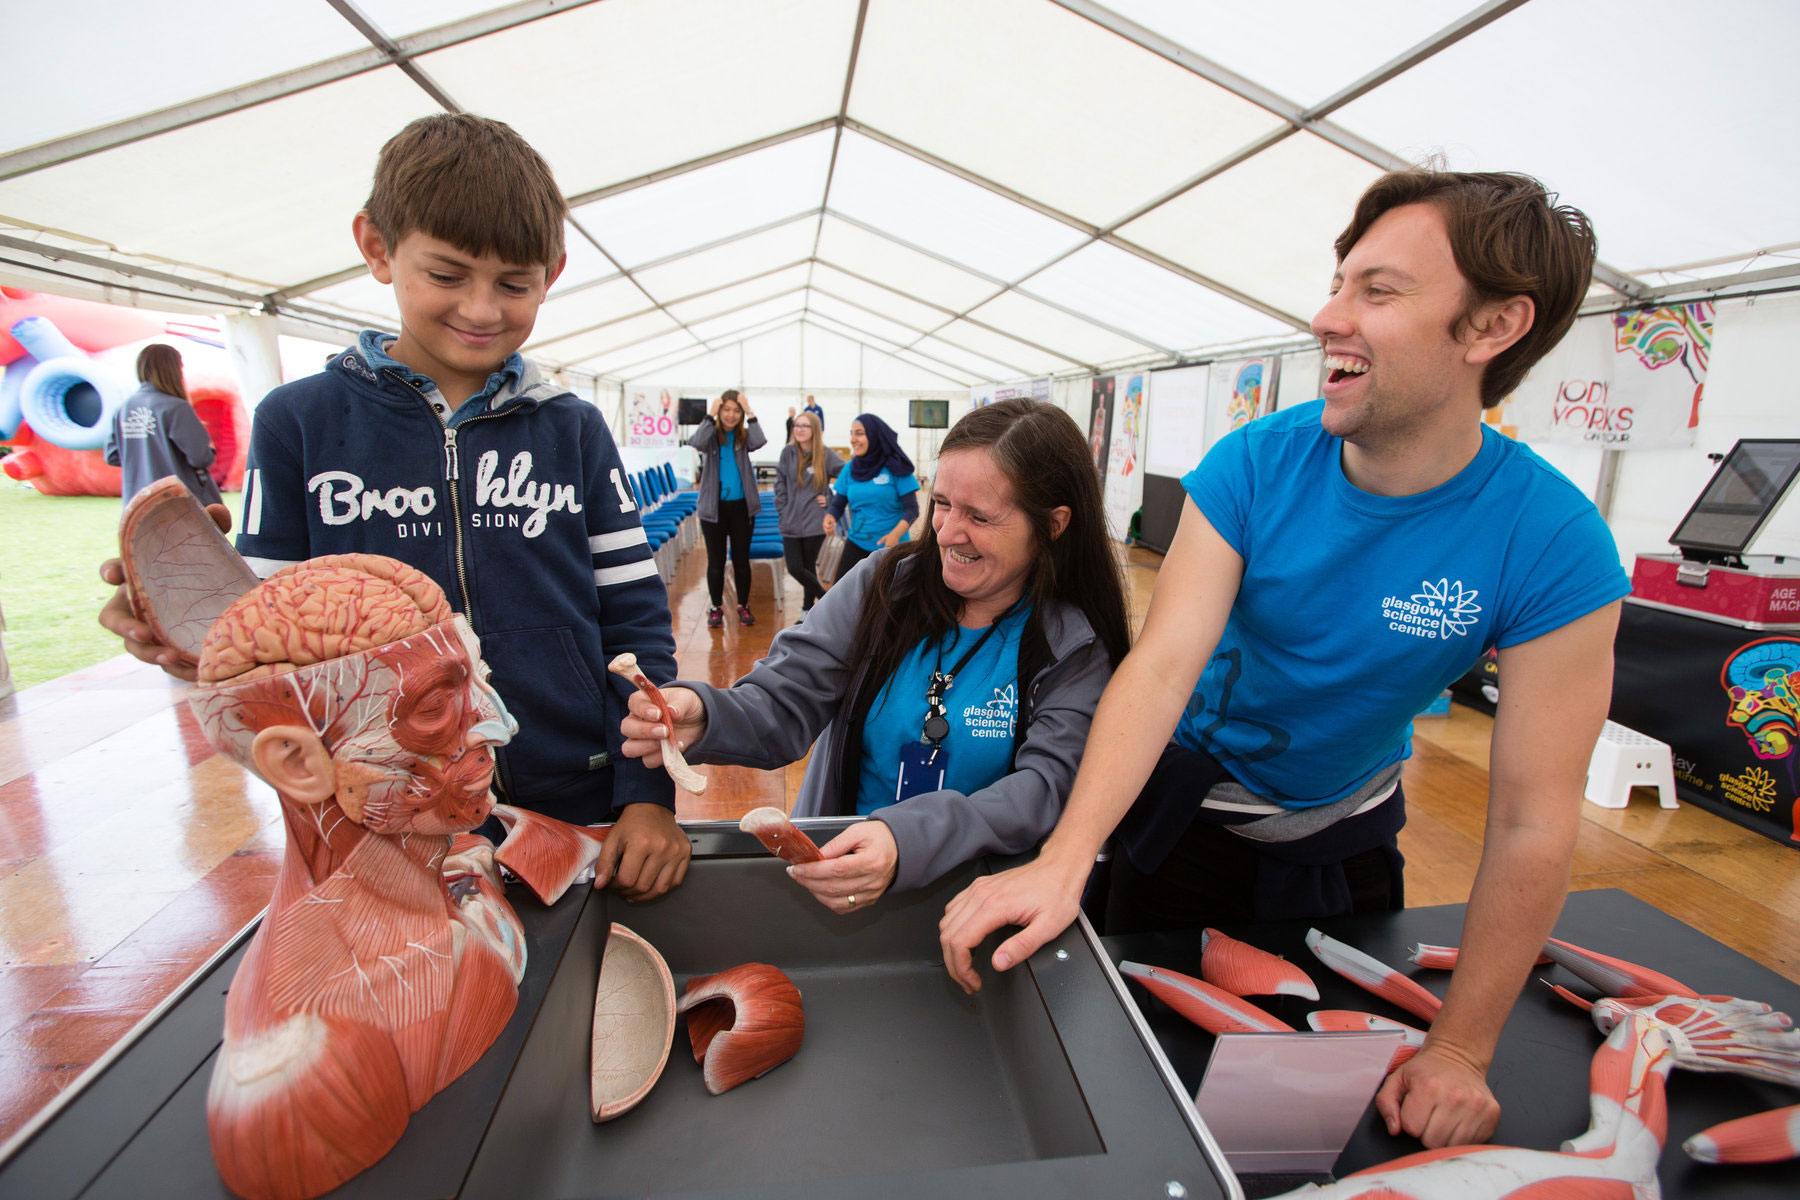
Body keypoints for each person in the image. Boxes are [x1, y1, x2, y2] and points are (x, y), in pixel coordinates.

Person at [938, 169, 1631, 1150]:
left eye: (1378, 293)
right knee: (1138, 1101)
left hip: (1338, 849)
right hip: (1170, 827)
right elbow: (1163, 665)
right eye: (1339, 282)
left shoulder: (1554, 543)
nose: (1327, 316)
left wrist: (1464, 1050)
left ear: (1490, 329)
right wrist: (1064, 858)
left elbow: (1530, 820)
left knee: (1300, 1129)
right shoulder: (1256, 463)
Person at [97, 113, 690, 901]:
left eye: (514, 285)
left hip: (575, 796)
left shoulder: (573, 429)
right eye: (447, 275)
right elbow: (266, 647)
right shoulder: (298, 423)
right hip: (384, 815)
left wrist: (647, 798)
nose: (482, 309)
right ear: (377, 247)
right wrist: (191, 629)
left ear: (552, 272)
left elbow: (634, 623)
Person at [622, 399, 1130, 911]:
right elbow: (787, 696)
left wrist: (906, 840)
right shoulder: (885, 585)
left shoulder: (1072, 648)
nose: (950, 532)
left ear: (1054, 524)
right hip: (840, 887)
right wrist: (706, 714)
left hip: (979, 903)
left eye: (980, 516)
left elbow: (1045, 788)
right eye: (944, 503)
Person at [104, 343, 223, 507]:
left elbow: (112, 456)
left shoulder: (123, 408)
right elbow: (200, 458)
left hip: (138, 504)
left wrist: (144, 460)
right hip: (180, 505)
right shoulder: (176, 408)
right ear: (173, 369)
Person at [688, 389, 767, 628]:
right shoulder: (711, 435)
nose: (731, 415)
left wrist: (750, 411)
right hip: (714, 509)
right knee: (716, 561)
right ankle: (715, 607)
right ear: (720, 411)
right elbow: (696, 442)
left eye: (736, 410)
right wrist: (710, 415)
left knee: (741, 560)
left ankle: (743, 605)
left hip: (742, 509)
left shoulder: (744, 438)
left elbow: (759, 440)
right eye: (726, 410)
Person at [823, 413, 918, 580]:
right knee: (842, 595)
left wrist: (895, 535)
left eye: (859, 433)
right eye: (851, 433)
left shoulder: (896, 467)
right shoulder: (849, 469)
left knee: (888, 600)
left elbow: (912, 510)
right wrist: (830, 516)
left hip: (892, 547)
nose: (853, 439)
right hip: (857, 543)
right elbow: (838, 503)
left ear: (874, 435)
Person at [773, 409, 843, 615]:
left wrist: (830, 498)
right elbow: (780, 484)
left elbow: (848, 477)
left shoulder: (826, 454)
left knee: (808, 566)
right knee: (795, 567)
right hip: (790, 519)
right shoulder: (788, 453)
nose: (800, 430)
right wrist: (783, 510)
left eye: (805, 426)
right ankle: (827, 599)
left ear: (815, 429)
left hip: (815, 520)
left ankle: (806, 611)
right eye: (797, 425)